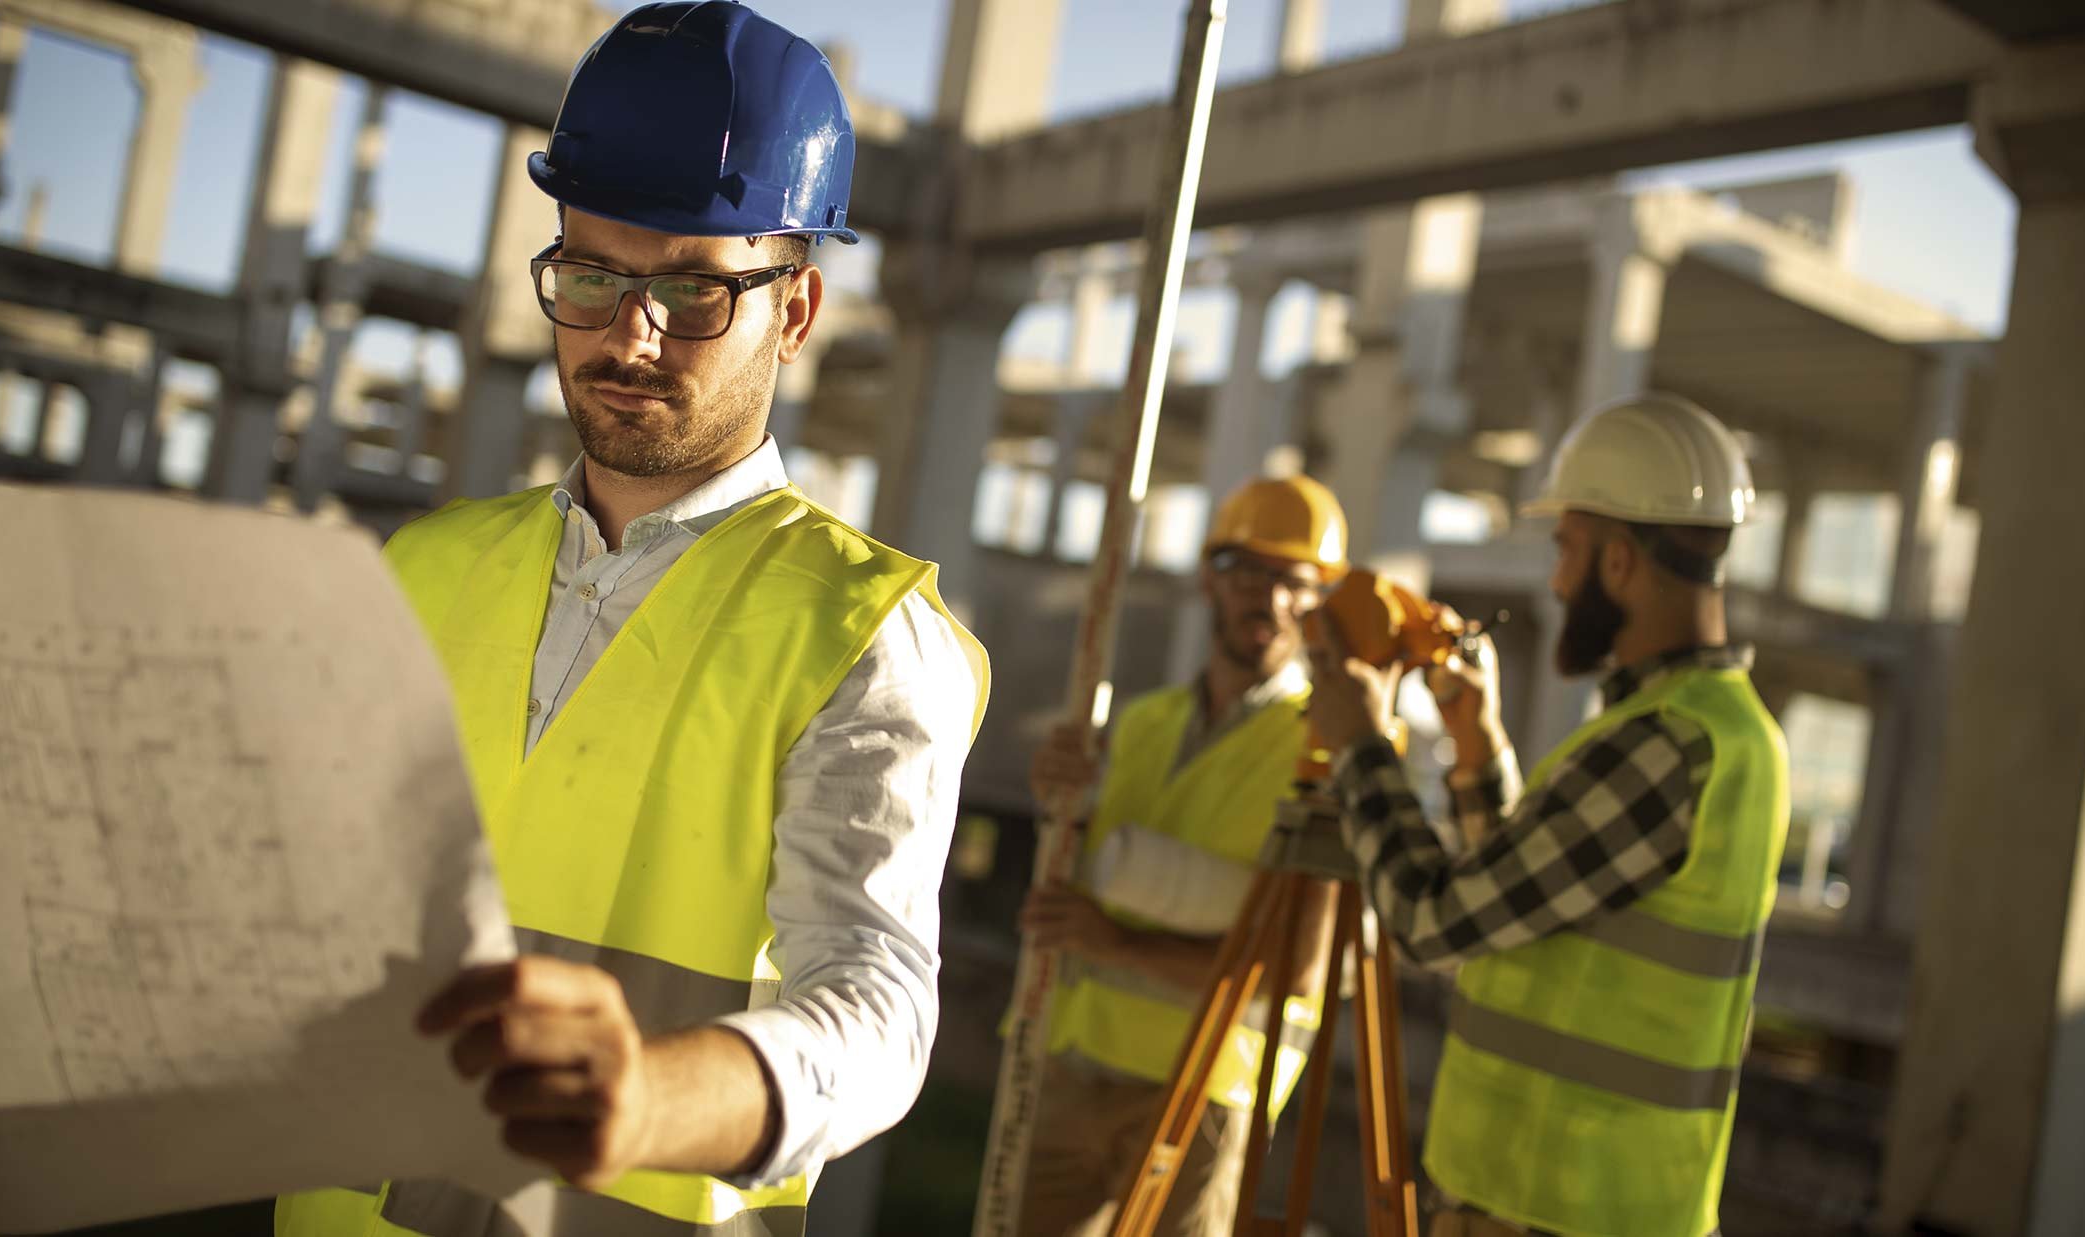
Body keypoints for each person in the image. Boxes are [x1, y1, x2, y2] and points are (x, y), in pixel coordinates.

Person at [276, 5, 988, 1234]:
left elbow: (877, 1013)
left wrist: (652, 1098)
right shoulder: (425, 567)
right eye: (593, 276)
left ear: (798, 311)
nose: (629, 333)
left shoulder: (864, 636)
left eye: (696, 294)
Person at [1305, 393, 1791, 1237]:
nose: (1557, 580)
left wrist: (1360, 749)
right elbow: (1522, 908)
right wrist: (1476, 743)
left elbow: (1432, 920)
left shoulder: (1665, 741)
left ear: (1618, 563)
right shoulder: (1706, 725)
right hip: (1572, 1205)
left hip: (1563, 1205)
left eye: (1567, 548)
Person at [1014, 476, 1349, 1237]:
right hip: (1073, 1057)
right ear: (1209, 577)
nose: (1269, 599)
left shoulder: (1327, 747)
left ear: (1321, 599)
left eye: (1294, 581)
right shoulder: (1142, 723)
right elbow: (1092, 871)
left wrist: (1111, 939)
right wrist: (1059, 803)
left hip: (1206, 1087)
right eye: (1248, 573)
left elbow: (1301, 969)